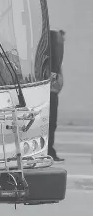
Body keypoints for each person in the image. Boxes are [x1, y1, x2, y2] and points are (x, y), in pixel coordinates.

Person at [48, 29, 65, 162]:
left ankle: (49, 150)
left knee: (51, 124)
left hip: (53, 93)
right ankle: (49, 151)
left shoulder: (55, 60)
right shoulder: (52, 61)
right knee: (50, 123)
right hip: (51, 93)